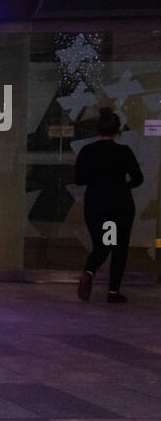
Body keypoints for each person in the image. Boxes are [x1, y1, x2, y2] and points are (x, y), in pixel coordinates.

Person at [76, 107, 144, 303]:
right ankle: (112, 291)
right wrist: (123, 186)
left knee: (103, 244)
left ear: (98, 130)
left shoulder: (87, 151)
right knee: (118, 247)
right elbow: (138, 178)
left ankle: (89, 272)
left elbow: (79, 179)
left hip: (95, 204)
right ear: (118, 131)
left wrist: (97, 181)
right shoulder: (123, 152)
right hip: (118, 206)